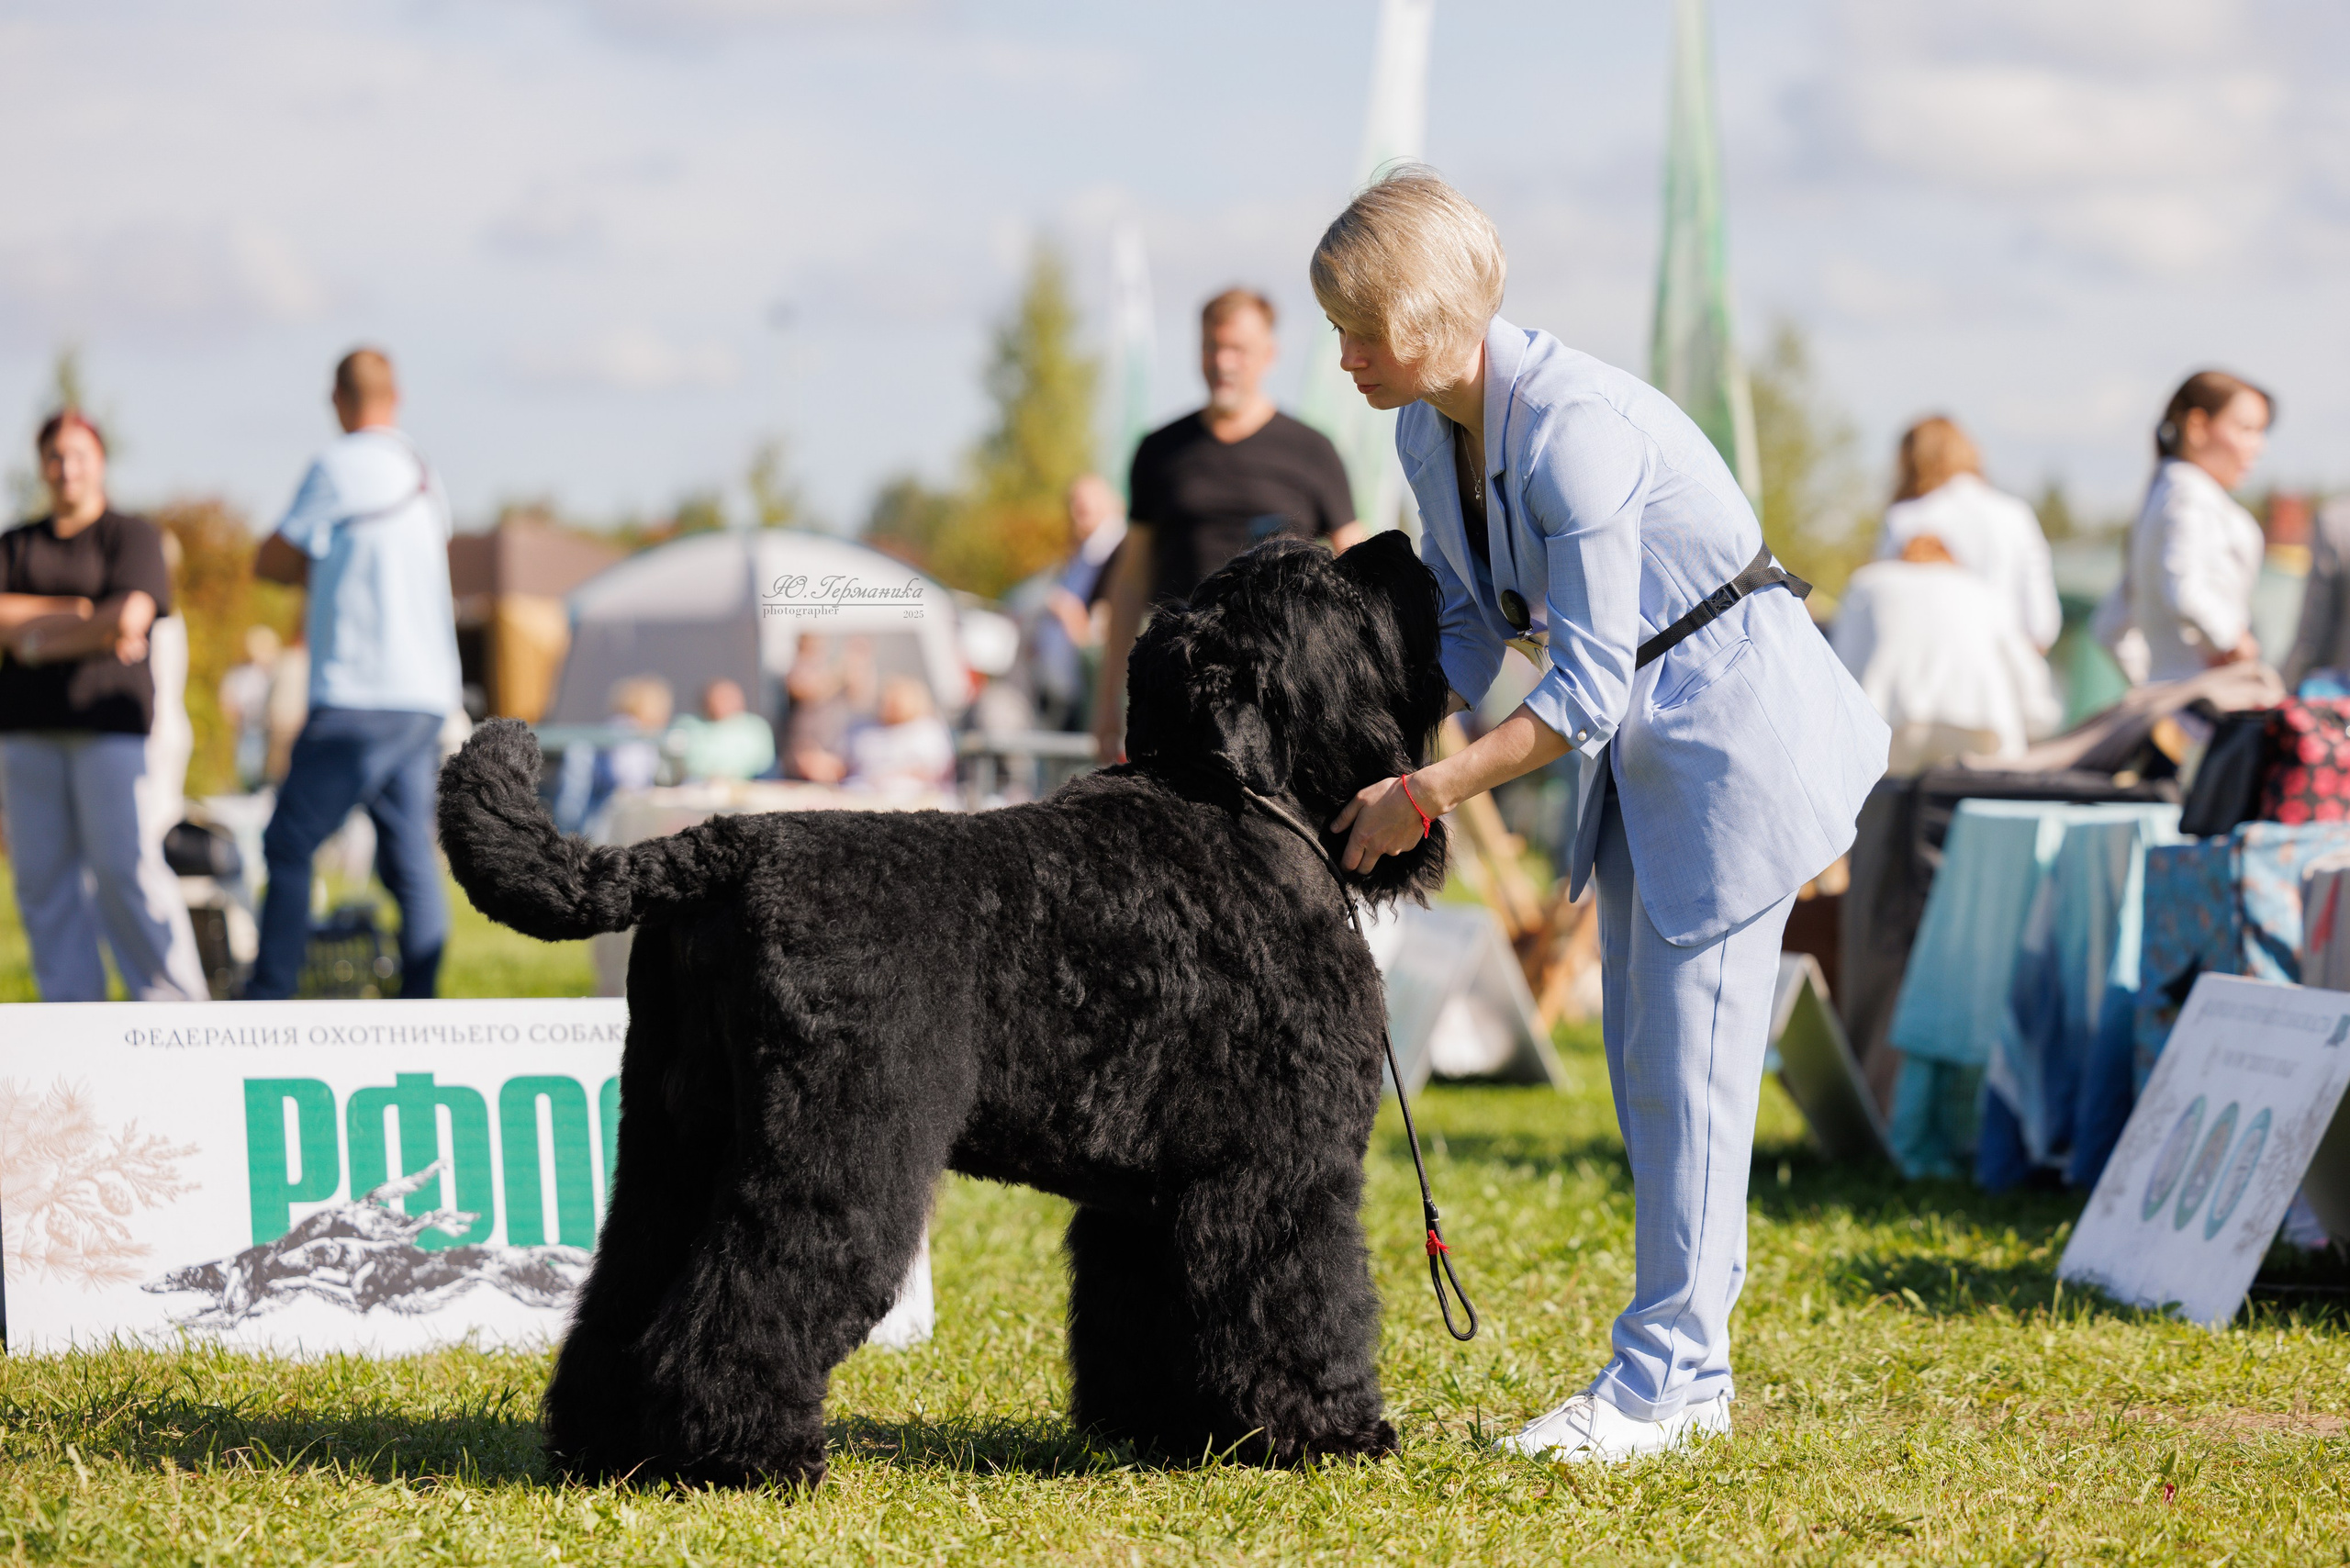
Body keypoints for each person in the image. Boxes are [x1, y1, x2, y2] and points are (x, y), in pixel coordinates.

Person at [1311, 169, 1886, 1462]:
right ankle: (1683, 1372)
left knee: (1690, 1073)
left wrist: (1426, 795)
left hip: (1737, 735)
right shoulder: (1423, 430)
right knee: (1646, 1073)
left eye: (1359, 326)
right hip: (1646, 741)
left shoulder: (1579, 430)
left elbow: (1578, 688)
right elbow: (1466, 632)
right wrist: (1358, 740)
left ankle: (1669, 1385)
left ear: (1437, 314)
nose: (1339, 353)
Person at [248, 348, 462, 1000]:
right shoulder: (425, 476)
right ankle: (420, 1007)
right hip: (424, 697)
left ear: (338, 401)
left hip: (357, 694)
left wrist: (316, 566)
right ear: (395, 399)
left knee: (288, 844)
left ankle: (268, 1004)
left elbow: (271, 559)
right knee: (409, 860)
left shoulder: (337, 467)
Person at [1092, 288, 1364, 758]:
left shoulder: (1313, 452)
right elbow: (1130, 580)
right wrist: (1107, 699)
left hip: (1283, 694)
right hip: (1177, 688)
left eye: (1237, 349)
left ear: (1269, 355)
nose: (1223, 362)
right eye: (1211, 347)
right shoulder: (1158, 452)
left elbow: (1357, 571)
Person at [0, 410, 209, 1001]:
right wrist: (89, 617)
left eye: (79, 454)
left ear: (100, 461)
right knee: (44, 885)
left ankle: (178, 1015)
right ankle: (73, 1022)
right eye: (55, 456)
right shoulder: (16, 543)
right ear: (42, 465)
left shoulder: (132, 537)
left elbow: (133, 614)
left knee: (127, 872)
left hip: (110, 733)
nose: (66, 468)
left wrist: (33, 639)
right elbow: (109, 619)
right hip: (26, 734)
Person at [2094, 370, 2272, 685]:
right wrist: (2234, 642)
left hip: (2175, 702)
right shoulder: (2189, 495)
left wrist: (2155, 684)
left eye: (2261, 431)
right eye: (2246, 429)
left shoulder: (2162, 494)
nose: (2258, 446)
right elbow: (2185, 590)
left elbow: (2110, 626)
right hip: (2210, 705)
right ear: (2198, 427)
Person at [1832, 534, 2061, 774]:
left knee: (1884, 804)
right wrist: (2038, 719)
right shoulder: (1979, 589)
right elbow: (2022, 663)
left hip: (1892, 720)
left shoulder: (1868, 582)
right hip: (1981, 721)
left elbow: (1844, 658)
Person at [1874, 416, 2061, 652]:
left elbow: (1882, 609)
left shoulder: (1903, 519)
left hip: (1925, 668)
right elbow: (2041, 624)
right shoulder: (2014, 514)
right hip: (2003, 668)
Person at [1031, 475, 1126, 732]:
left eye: (1084, 504)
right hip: (1062, 697)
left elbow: (1101, 633)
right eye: (1073, 503)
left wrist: (1068, 613)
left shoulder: (1115, 552)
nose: (1076, 511)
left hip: (1091, 700)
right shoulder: (1083, 553)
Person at [845, 675, 956, 793]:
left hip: (912, 797)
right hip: (862, 793)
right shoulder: (863, 730)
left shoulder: (927, 730)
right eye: (887, 699)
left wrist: (888, 776)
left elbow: (936, 770)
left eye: (896, 700)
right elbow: (846, 765)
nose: (890, 704)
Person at [671, 678, 776, 782]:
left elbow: (764, 766)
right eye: (718, 698)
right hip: (697, 787)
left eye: (728, 698)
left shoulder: (755, 727)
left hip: (745, 787)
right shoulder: (687, 726)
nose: (722, 703)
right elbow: (678, 762)